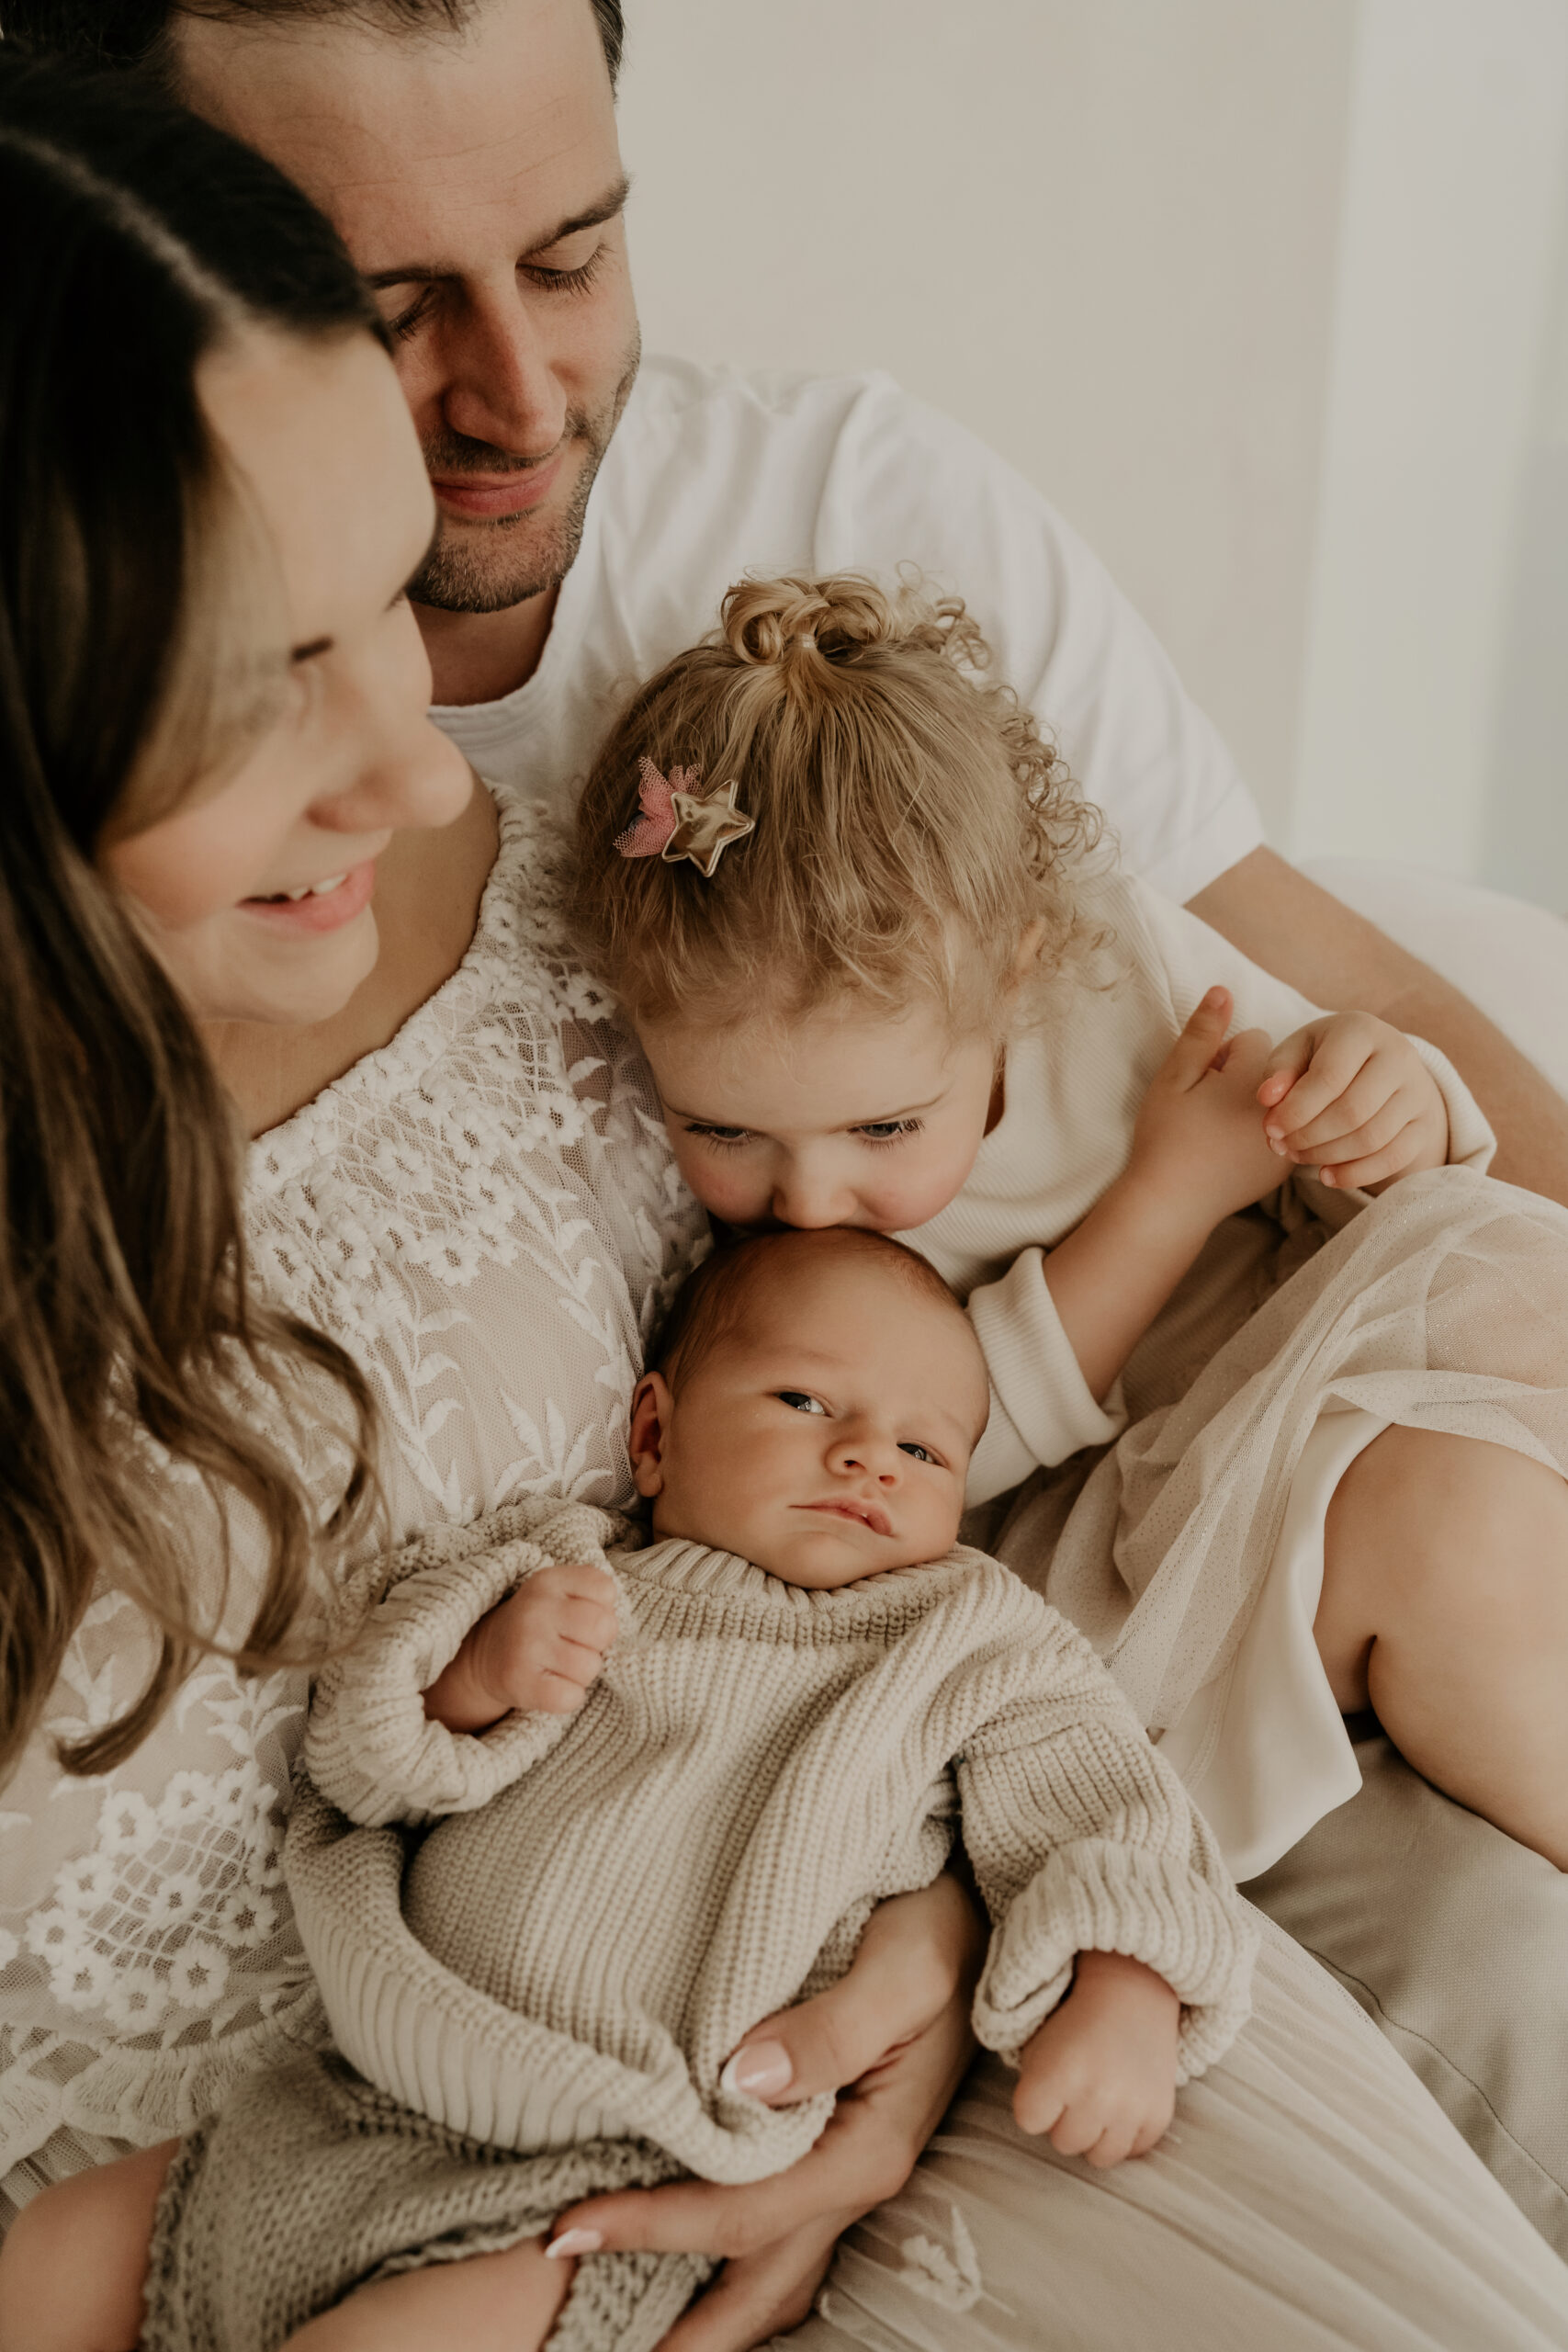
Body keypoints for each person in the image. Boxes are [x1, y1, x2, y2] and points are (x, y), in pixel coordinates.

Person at [0, 27, 1563, 2352]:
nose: (425, 770)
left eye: (576, 244)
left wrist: (909, 1936)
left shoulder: (606, 845)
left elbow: (1286, 988)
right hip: (420, 2161)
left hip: (843, 1908)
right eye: (284, 664)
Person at [2, 1227, 1258, 2351]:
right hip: (346, 2091)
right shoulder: (567, 1571)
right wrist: (477, 1681)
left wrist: (1129, 1988)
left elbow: (1104, 1801)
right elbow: (359, 1761)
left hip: (602, 2179)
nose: (869, 1456)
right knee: (50, 2254)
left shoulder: (962, 1635)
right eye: (808, 1399)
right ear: (653, 1434)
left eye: (925, 1448)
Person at [566, 571, 1568, 1883]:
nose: (805, 1204)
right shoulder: (787, 1251)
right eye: (724, 1133)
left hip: (1311, 1387)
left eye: (881, 1131)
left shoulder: (1126, 973)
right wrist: (1168, 1196)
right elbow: (933, 1455)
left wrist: (1383, 1096)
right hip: (1114, 1541)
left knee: (1498, 1302)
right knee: (1451, 1537)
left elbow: (1346, 1155)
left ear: (1017, 971)